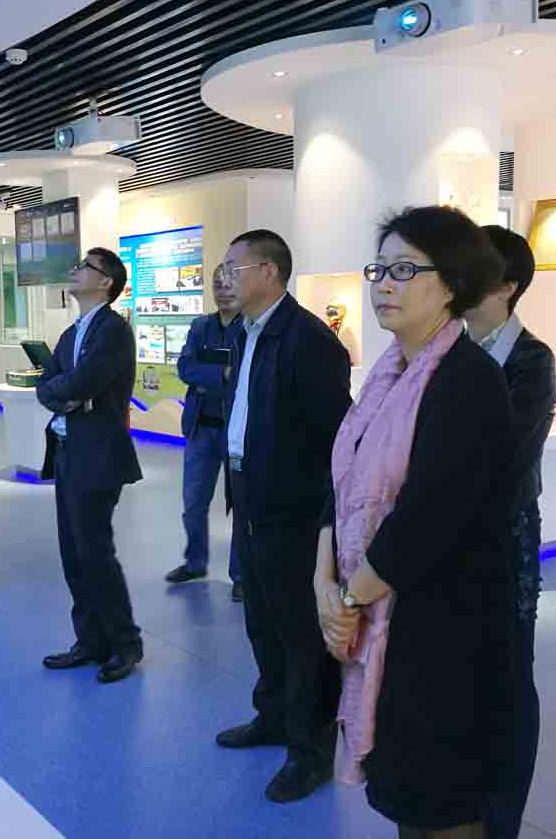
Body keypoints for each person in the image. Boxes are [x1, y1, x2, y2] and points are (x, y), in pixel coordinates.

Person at [314, 206, 515, 839]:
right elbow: (340, 482)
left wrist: (348, 600)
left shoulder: (469, 382)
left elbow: (429, 518)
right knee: (402, 785)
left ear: (451, 284)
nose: (383, 284)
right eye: (379, 269)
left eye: (404, 269)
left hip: (442, 627)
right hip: (382, 611)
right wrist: (323, 584)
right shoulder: (386, 378)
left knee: (442, 795)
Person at [215, 229, 351, 803]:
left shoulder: (309, 341)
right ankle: (272, 716)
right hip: (249, 498)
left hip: (293, 512)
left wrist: (324, 525)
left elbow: (336, 441)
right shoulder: (245, 334)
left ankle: (310, 752)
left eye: (234, 267)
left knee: (302, 635)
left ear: (270, 272)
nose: (224, 277)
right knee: (262, 622)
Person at [466, 225, 556, 839]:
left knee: (508, 674)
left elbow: (503, 458)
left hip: (504, 534)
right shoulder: (442, 348)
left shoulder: (531, 359)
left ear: (507, 286)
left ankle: (502, 818)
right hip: (445, 536)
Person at [37, 248, 144, 685]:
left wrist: (69, 391)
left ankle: (125, 643)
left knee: (95, 552)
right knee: (73, 553)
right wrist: (67, 395)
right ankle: (90, 640)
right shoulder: (72, 333)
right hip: (67, 451)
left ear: (105, 282)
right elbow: (47, 384)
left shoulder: (113, 331)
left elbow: (85, 380)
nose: (74, 270)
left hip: (98, 455)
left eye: (84, 267)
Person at [165, 263, 245, 600]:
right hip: (201, 429)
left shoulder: (249, 328)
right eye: (217, 285)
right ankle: (194, 562)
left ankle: (241, 574)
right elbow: (185, 367)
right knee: (193, 503)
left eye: (229, 284)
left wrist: (208, 377)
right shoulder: (201, 327)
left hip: (236, 432)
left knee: (241, 504)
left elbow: (243, 376)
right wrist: (221, 374)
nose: (223, 291)